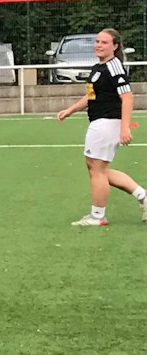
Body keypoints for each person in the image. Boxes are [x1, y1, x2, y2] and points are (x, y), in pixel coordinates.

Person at [55, 27, 144, 226]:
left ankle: (98, 216)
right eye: (97, 42)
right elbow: (91, 96)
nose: (99, 45)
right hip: (100, 122)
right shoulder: (98, 68)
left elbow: (127, 97)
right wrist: (70, 110)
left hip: (107, 122)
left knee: (97, 169)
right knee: (98, 169)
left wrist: (125, 128)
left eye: (104, 42)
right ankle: (143, 196)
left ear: (115, 46)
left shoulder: (114, 66)